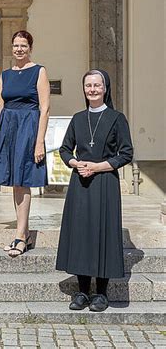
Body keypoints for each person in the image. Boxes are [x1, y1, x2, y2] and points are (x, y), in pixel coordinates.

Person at [56, 69, 133, 312]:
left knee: (103, 234)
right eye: (88, 85)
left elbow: (126, 153)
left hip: (105, 183)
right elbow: (65, 149)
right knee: (81, 234)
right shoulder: (78, 118)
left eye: (97, 85)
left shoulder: (117, 118)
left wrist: (97, 167)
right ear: (84, 89)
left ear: (105, 88)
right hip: (80, 183)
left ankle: (101, 293)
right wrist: (76, 164)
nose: (92, 89)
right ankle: (81, 292)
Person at [0, 30, 50, 257]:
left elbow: (45, 109)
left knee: (23, 181)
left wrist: (40, 141)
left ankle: (21, 236)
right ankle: (23, 233)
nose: (19, 49)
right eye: (15, 45)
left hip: (28, 128)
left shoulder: (38, 71)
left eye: (23, 45)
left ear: (30, 48)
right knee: (15, 182)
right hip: (8, 128)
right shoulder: (6, 74)